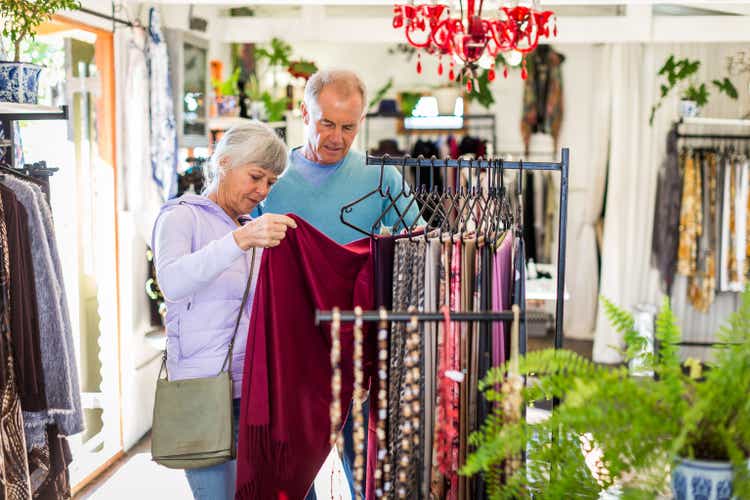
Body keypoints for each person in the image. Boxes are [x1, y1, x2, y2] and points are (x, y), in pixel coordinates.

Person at [254, 69, 423, 498]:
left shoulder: (382, 178)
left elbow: (418, 251)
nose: (336, 137)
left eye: (348, 126)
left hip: (358, 358)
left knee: (368, 479)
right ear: (302, 112)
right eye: (326, 122)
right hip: (287, 352)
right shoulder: (269, 180)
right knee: (286, 480)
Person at [152, 122, 297, 500]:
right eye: (255, 176)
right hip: (202, 393)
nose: (262, 191)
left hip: (253, 393)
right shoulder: (181, 217)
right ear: (224, 162)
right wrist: (240, 240)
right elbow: (173, 282)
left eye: (271, 182)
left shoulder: (251, 228)